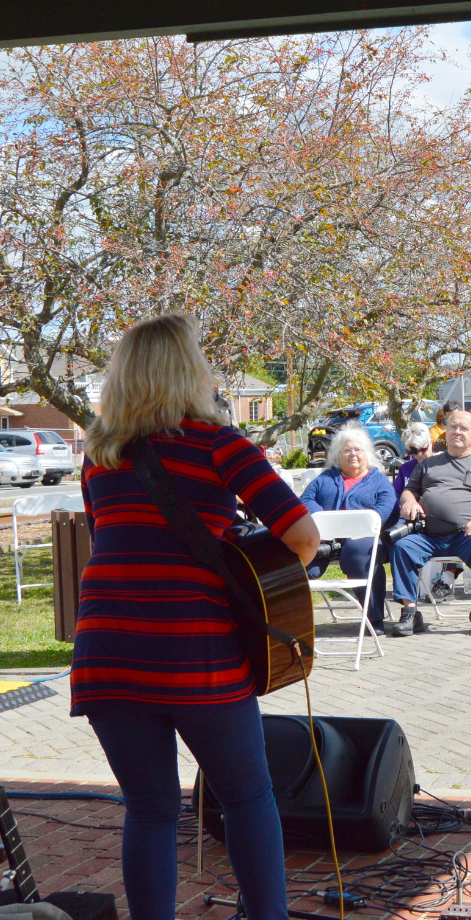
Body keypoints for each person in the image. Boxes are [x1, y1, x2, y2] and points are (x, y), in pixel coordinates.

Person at [73, 313, 320, 920]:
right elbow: (303, 537)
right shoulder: (222, 445)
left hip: (106, 650)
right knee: (246, 797)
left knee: (149, 808)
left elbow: (113, 535)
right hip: (196, 648)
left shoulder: (100, 457)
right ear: (192, 371)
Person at [390, 410, 471, 636]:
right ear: (445, 431)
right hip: (429, 535)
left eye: (464, 428)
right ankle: (410, 613)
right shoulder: (427, 465)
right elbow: (408, 491)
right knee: (401, 548)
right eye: (453, 426)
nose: (457, 431)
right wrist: (409, 503)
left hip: (467, 535)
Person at [300, 424, 396, 634]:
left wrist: (362, 523)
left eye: (358, 450)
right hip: (325, 540)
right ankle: (294, 623)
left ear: (367, 454)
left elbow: (387, 507)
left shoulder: (378, 480)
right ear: (337, 454)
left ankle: (374, 619)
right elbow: (305, 500)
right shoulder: (326, 478)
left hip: (363, 538)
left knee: (358, 555)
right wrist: (323, 522)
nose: (353, 454)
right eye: (347, 450)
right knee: (299, 566)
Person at [393, 422, 435, 496]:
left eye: (423, 449)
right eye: (414, 451)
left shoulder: (442, 465)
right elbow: (394, 496)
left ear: (431, 442)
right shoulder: (405, 469)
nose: (419, 454)